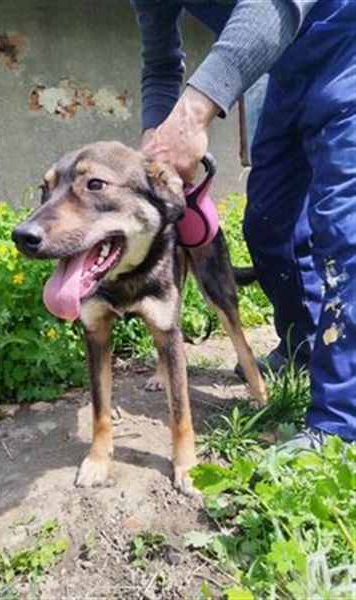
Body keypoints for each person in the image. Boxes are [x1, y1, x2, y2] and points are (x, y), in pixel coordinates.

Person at [130, 0, 355, 446]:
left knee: (343, 233)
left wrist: (191, 116)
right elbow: (160, 66)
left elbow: (277, 5)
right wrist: (154, 141)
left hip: (346, 46)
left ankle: (341, 423)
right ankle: (303, 345)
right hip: (286, 72)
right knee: (268, 226)